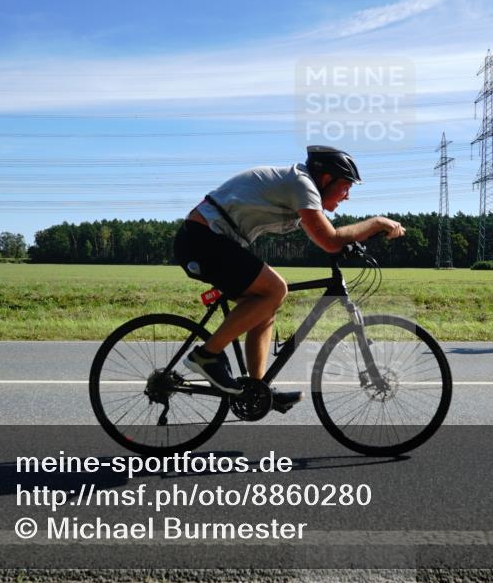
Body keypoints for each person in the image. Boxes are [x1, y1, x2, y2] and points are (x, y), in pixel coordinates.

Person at [172, 146, 406, 412]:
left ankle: (255, 389)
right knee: (276, 290)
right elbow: (330, 240)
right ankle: (206, 356)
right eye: (345, 187)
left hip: (210, 241)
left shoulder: (301, 189)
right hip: (202, 240)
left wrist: (350, 244)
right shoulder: (302, 184)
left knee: (265, 305)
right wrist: (376, 223)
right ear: (326, 179)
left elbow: (324, 237)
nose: (348, 196)